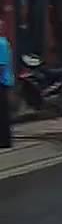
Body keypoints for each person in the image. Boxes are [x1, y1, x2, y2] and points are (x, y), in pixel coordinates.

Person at [0, 19, 13, 148]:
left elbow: (1, 65)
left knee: (2, 113)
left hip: (2, 81)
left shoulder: (1, 43)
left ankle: (4, 141)